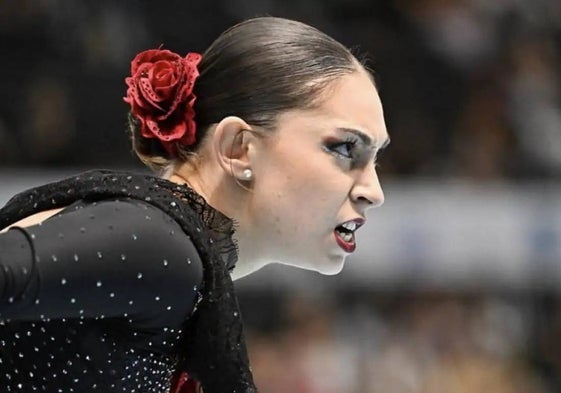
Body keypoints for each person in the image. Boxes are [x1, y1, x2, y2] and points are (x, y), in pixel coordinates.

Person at [0, 16, 389, 393]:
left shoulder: (179, 269)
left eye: (376, 159)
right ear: (238, 148)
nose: (373, 191)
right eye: (344, 148)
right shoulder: (159, 248)